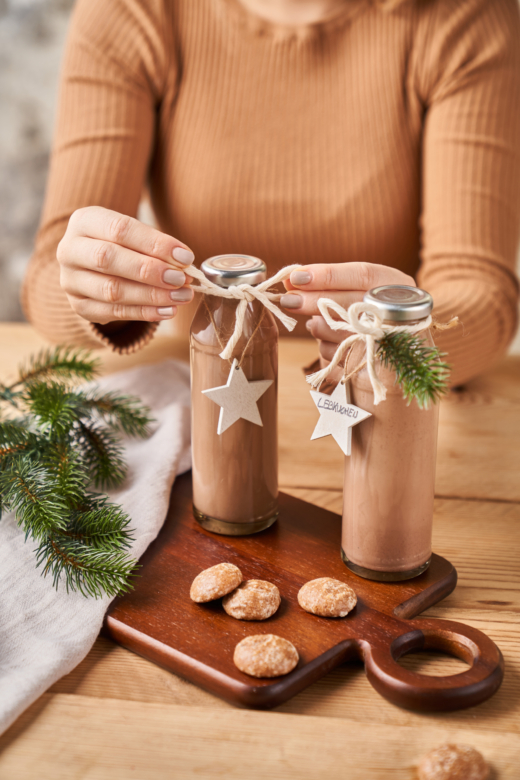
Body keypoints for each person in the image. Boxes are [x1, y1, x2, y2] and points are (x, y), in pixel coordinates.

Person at [22, 0, 520, 384]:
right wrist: (101, 289)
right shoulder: (134, 11)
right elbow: (50, 273)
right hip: (204, 393)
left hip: (384, 402)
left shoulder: (465, 20)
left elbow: (481, 290)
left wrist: (403, 341)